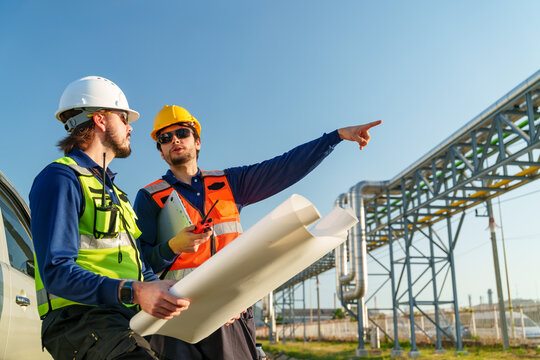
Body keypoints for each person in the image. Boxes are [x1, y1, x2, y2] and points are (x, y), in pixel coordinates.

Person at [134, 104, 382, 360]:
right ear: (162, 152)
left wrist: (336, 136)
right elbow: (140, 264)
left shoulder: (230, 182)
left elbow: (283, 167)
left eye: (182, 133)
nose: (174, 140)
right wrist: (173, 246)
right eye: (165, 138)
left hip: (229, 312)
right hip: (175, 317)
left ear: (197, 142)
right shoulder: (150, 197)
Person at [31, 77, 191, 360]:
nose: (130, 127)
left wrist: (197, 304)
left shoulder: (115, 192)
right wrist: (133, 291)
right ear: (100, 120)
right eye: (123, 117)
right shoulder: (61, 178)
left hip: (120, 321)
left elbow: (141, 270)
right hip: (80, 322)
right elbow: (56, 271)